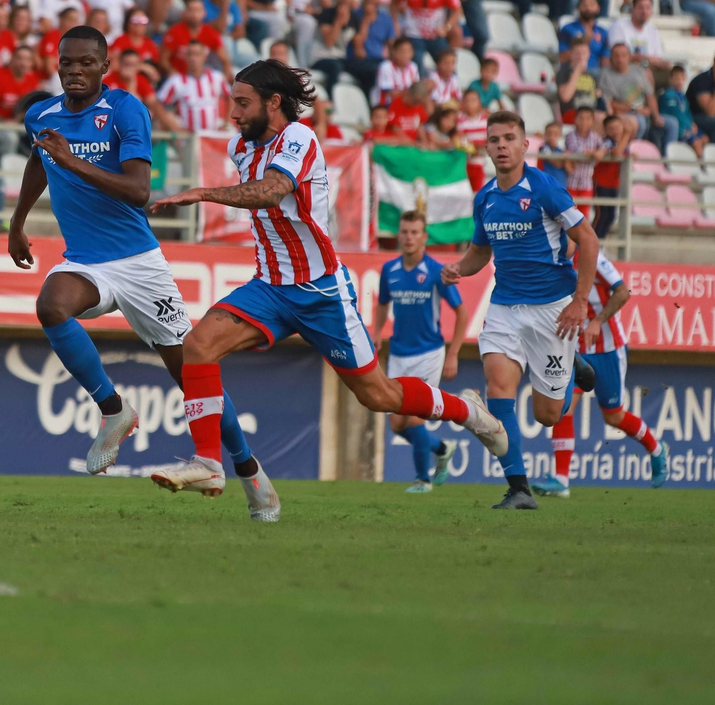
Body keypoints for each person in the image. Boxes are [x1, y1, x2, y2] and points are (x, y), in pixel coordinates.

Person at [146, 60, 505, 500]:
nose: (233, 114)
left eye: (242, 103)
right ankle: (208, 463)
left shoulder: (299, 137)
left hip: (320, 291)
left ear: (274, 103)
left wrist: (202, 193)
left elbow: (273, 191)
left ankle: (468, 411)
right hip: (271, 287)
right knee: (197, 347)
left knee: (379, 396)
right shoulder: (243, 148)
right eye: (231, 103)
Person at [3, 26, 278, 519]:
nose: (75, 72)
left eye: (86, 63)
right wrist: (17, 222)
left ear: (104, 67)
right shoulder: (41, 116)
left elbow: (137, 191)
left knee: (191, 374)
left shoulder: (127, 110)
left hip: (139, 265)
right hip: (86, 261)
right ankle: (114, 411)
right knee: (51, 305)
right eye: (67, 63)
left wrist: (72, 160)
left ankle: (248, 468)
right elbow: (39, 163)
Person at [438, 109, 603, 509]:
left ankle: (573, 375)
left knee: (547, 415)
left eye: (509, 138)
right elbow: (480, 251)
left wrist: (580, 301)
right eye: (494, 139)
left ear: (525, 144)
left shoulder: (545, 188)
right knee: (498, 390)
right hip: (505, 306)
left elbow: (589, 240)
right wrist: (460, 267)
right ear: (487, 146)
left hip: (552, 308)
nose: (501, 146)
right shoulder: (486, 198)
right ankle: (519, 489)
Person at [533, 252, 669, 497]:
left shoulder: (592, 257)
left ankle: (656, 449)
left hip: (608, 349)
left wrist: (598, 321)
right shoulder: (549, 257)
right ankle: (561, 480)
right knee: (564, 407)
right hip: (574, 350)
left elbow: (623, 292)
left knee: (614, 417)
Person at [373, 211, 469, 493]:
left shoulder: (436, 272)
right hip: (399, 353)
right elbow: (382, 303)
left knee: (415, 417)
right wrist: (377, 333)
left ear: (425, 237)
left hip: (428, 353)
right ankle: (441, 448)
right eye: (404, 232)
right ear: (398, 235)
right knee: (397, 424)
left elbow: (462, 313)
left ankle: (422, 480)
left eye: (415, 232)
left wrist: (453, 355)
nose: (409, 237)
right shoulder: (389, 270)